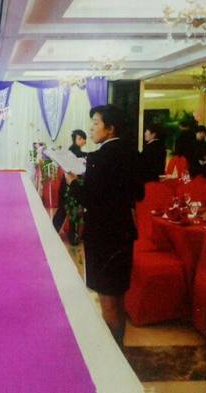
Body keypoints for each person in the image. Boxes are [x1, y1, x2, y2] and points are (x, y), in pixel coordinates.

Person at [66, 105, 143, 348]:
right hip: (124, 232)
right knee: (118, 296)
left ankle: (113, 354)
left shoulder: (99, 158)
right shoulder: (132, 154)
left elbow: (89, 198)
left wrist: (73, 182)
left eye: (96, 123)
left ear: (110, 129)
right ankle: (120, 347)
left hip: (103, 235)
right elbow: (139, 193)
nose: (91, 128)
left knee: (107, 300)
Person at [52, 129, 88, 244]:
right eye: (81, 138)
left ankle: (53, 232)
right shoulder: (74, 153)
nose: (83, 141)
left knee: (64, 210)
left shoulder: (70, 152)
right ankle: (72, 237)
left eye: (83, 139)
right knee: (72, 212)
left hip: (67, 185)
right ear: (77, 139)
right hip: (71, 185)